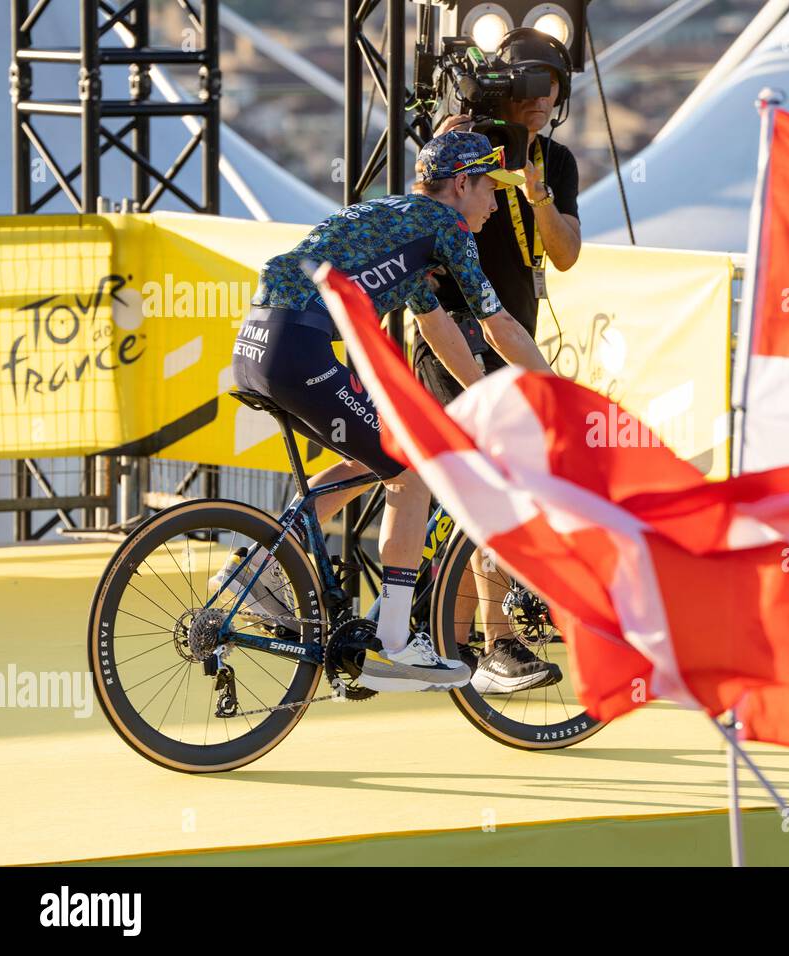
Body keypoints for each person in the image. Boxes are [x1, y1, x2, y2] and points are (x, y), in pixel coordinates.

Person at [215, 130, 552, 694]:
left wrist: (480, 396)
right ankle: (395, 641)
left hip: (259, 343)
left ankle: (254, 570)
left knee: (372, 459)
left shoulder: (401, 222)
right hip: (295, 345)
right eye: (491, 188)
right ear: (462, 183)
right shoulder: (447, 225)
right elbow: (499, 325)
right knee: (411, 468)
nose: (496, 203)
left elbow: (434, 323)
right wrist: (550, 394)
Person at [418, 28, 583, 695]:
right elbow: (419, 209)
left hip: (505, 330)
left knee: (439, 484)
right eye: (533, 92)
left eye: (554, 95)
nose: (542, 106)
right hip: (451, 329)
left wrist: (536, 191)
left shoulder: (554, 160)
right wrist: (452, 142)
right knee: (483, 480)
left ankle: (454, 645)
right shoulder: (461, 140)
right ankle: (496, 642)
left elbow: (566, 254)